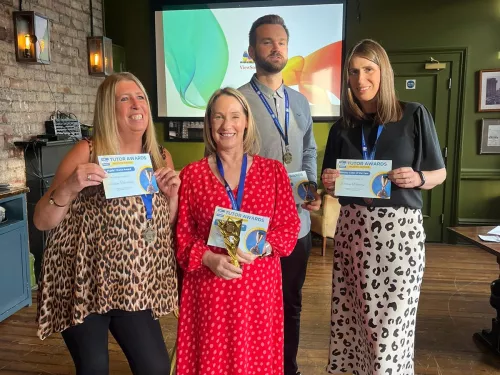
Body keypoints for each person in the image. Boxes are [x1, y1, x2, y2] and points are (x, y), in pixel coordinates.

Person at [34, 72, 180, 375]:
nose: (135, 104)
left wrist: (172, 195)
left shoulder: (159, 156)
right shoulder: (87, 151)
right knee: (93, 368)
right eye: (123, 99)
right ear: (107, 109)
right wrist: (69, 187)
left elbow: (164, 227)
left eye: (140, 97)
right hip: (83, 281)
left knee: (155, 368)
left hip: (132, 284)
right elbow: (41, 221)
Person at [321, 39, 446, 375]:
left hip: (399, 239)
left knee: (390, 331)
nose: (360, 79)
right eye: (353, 71)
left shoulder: (414, 115)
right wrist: (329, 182)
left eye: (368, 69)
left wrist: (417, 178)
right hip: (353, 236)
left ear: (384, 72)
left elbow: (439, 174)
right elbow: (328, 181)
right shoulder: (341, 127)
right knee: (352, 323)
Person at [175, 87, 300, 375]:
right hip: (210, 290)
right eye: (218, 117)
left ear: (246, 122)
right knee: (211, 364)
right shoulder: (192, 175)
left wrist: (263, 246)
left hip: (257, 289)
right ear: (209, 124)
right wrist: (208, 259)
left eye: (234, 116)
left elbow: (289, 227)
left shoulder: (273, 172)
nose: (226, 125)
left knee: (255, 362)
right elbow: (182, 238)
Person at [238, 15, 321, 375]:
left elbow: (308, 151)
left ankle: (287, 367)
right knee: (251, 304)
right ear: (252, 50)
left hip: (297, 225)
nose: (275, 48)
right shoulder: (236, 101)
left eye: (281, 42)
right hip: (254, 226)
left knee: (291, 303)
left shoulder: (300, 102)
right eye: (267, 42)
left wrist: (311, 186)